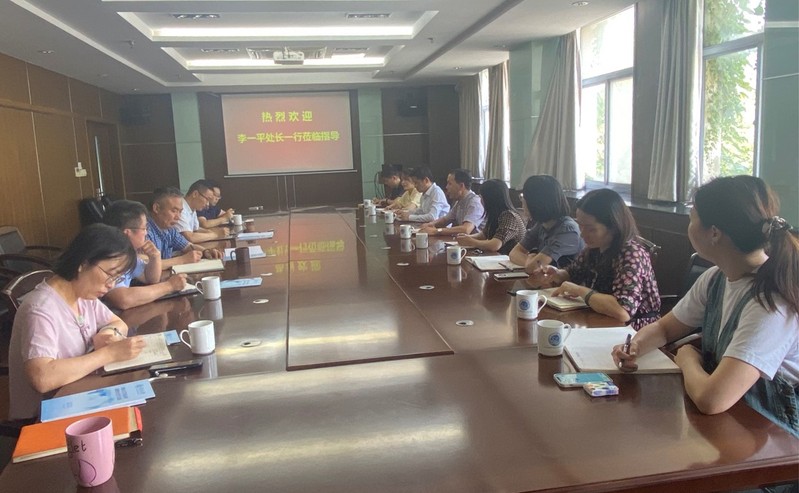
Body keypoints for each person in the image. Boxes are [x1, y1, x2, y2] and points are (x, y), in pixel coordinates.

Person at [613, 176, 799, 437]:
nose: (689, 226)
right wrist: (635, 347)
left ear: (714, 233)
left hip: (777, 437)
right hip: (735, 422)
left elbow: (712, 400)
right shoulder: (715, 278)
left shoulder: (770, 305)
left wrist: (688, 358)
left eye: (692, 218)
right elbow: (665, 329)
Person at [8, 224, 148, 420]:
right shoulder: (40, 309)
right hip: (43, 416)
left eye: (117, 278)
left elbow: (118, 322)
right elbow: (42, 378)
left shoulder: (83, 295)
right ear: (83, 263)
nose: (111, 285)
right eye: (110, 275)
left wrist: (108, 333)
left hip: (78, 395)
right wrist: (109, 353)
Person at [528, 188, 660, 329]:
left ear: (613, 227)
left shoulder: (631, 254)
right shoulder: (595, 248)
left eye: (591, 229)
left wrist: (580, 291)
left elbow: (623, 311)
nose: (582, 234)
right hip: (600, 320)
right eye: (580, 226)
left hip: (633, 330)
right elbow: (573, 273)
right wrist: (557, 273)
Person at [103, 200, 188, 310]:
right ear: (127, 233)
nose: (146, 233)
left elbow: (150, 279)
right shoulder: (108, 257)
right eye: (144, 229)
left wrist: (155, 257)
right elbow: (123, 299)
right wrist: (169, 286)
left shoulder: (127, 254)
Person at [509, 175, 584, 271]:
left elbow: (534, 267)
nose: (522, 201)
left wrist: (532, 262)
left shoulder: (567, 230)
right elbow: (514, 253)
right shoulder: (542, 224)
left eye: (524, 197)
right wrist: (529, 262)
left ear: (537, 203)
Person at [146, 187, 223, 270]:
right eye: (174, 211)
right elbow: (145, 265)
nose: (178, 217)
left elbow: (188, 246)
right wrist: (182, 260)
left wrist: (205, 251)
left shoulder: (170, 230)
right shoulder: (144, 231)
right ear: (156, 208)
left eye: (180, 212)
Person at [457, 179, 525, 254]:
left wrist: (471, 241)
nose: (480, 200)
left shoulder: (509, 216)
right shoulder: (495, 214)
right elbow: (484, 234)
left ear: (489, 199)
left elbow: (495, 245)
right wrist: (467, 237)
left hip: (510, 259)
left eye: (481, 197)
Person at [419, 169, 484, 236]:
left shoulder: (475, 202)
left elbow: (466, 229)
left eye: (450, 184)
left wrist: (436, 231)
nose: (446, 187)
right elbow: (445, 220)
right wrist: (430, 225)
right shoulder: (459, 201)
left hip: (477, 242)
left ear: (461, 186)